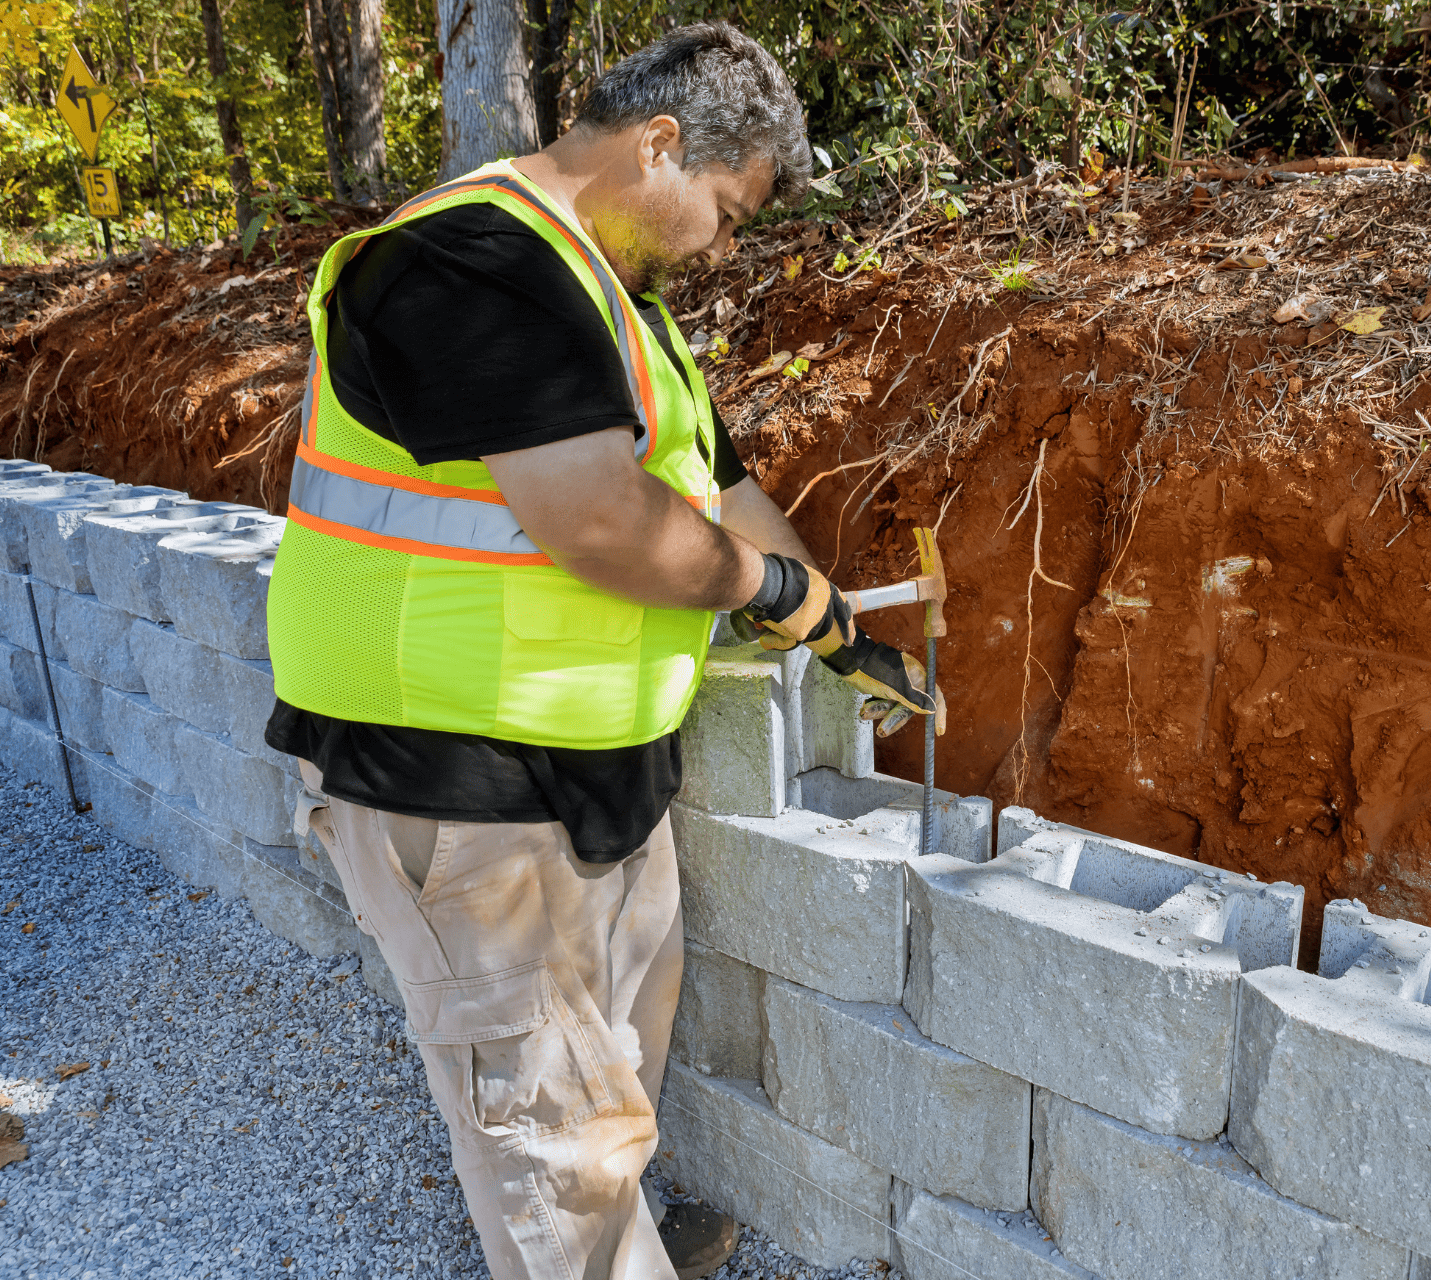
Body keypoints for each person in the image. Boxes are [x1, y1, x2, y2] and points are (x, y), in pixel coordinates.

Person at [263, 22, 942, 1280]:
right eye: (728, 213)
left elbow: (711, 485)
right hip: (458, 783)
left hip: (592, 768)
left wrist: (835, 626)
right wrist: (769, 586)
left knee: (607, 1067)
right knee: (544, 1131)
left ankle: (608, 1236)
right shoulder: (464, 265)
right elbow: (601, 522)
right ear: (661, 143)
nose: (726, 247)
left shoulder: (608, 295)